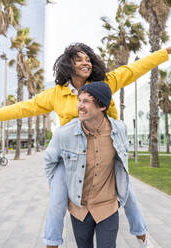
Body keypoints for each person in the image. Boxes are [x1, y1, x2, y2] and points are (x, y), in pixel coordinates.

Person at [0, 41, 171, 247]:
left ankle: (143, 237)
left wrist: (166, 52)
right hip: (71, 155)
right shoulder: (56, 94)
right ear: (68, 66)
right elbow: (24, 107)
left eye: (88, 59)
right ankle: (52, 242)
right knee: (56, 199)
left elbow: (135, 68)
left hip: (104, 147)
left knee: (127, 190)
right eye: (79, 60)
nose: (86, 63)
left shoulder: (105, 84)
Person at [45, 82, 131, 247]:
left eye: (86, 101)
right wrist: (58, 186)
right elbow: (49, 161)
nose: (80, 106)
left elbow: (122, 163)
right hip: (80, 209)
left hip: (108, 206)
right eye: (80, 101)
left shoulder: (119, 129)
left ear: (102, 107)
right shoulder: (64, 133)